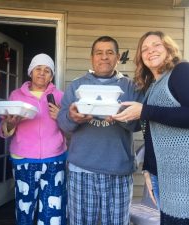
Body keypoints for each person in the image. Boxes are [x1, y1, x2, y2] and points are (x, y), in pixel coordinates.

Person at [112, 31, 189, 225]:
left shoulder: (183, 71)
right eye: (145, 49)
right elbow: (151, 130)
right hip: (162, 176)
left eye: (156, 45)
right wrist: (149, 169)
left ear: (168, 48)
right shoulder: (154, 85)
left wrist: (145, 111)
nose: (151, 51)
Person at [57, 36, 143, 225]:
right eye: (99, 52)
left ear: (118, 57)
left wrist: (121, 116)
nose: (104, 57)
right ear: (92, 57)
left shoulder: (130, 86)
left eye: (110, 52)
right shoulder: (77, 85)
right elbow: (62, 123)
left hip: (118, 170)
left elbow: (138, 125)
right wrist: (73, 118)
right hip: (81, 169)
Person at [0, 53, 67, 225]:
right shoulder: (16, 95)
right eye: (38, 69)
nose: (42, 73)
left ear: (51, 76)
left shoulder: (59, 96)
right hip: (23, 159)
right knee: (25, 207)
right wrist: (10, 123)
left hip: (54, 158)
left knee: (53, 211)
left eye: (47, 70)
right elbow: (3, 129)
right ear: (31, 71)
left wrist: (61, 116)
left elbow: (70, 126)